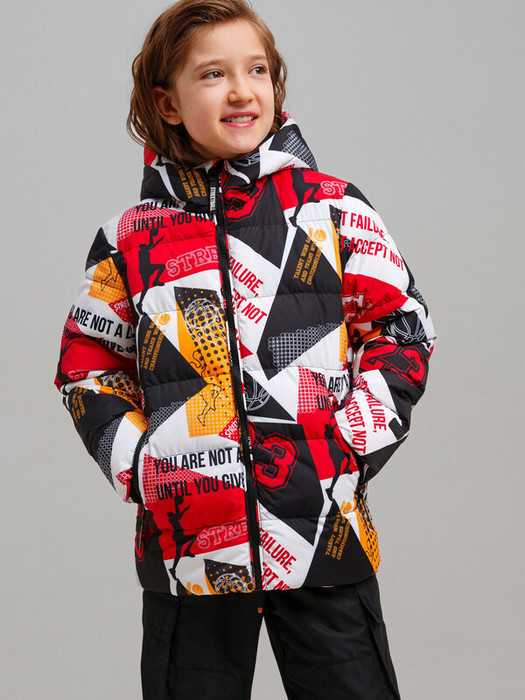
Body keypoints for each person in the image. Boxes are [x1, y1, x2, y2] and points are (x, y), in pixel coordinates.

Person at [55, 1, 435, 697]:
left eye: (256, 70)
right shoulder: (131, 240)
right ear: (167, 104)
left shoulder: (332, 209)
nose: (241, 90)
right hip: (190, 547)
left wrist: (351, 442)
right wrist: (147, 468)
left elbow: (401, 327)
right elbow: (88, 366)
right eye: (213, 74)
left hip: (322, 533)